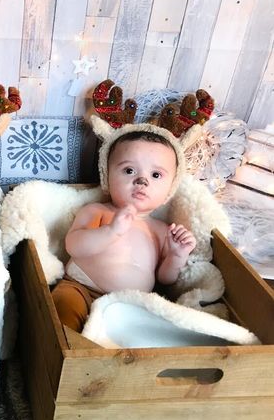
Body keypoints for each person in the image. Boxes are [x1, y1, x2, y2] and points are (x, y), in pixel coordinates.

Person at [52, 131, 196, 332]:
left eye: (156, 175)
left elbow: (165, 279)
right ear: (107, 176)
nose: (142, 181)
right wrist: (111, 231)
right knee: (62, 315)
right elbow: (74, 246)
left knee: (148, 336)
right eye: (129, 170)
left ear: (170, 189)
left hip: (131, 306)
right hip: (81, 289)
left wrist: (177, 255)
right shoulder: (98, 212)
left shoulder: (161, 230)